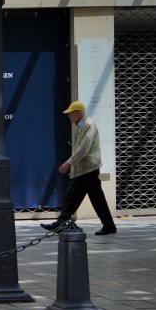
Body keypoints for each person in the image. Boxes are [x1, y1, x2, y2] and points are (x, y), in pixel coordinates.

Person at [42, 100, 117, 236]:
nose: (69, 116)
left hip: (87, 169)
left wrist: (68, 163)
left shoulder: (88, 125)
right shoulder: (81, 126)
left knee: (76, 197)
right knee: (84, 198)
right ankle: (108, 225)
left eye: (71, 113)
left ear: (78, 112)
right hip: (84, 169)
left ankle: (61, 222)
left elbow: (84, 148)